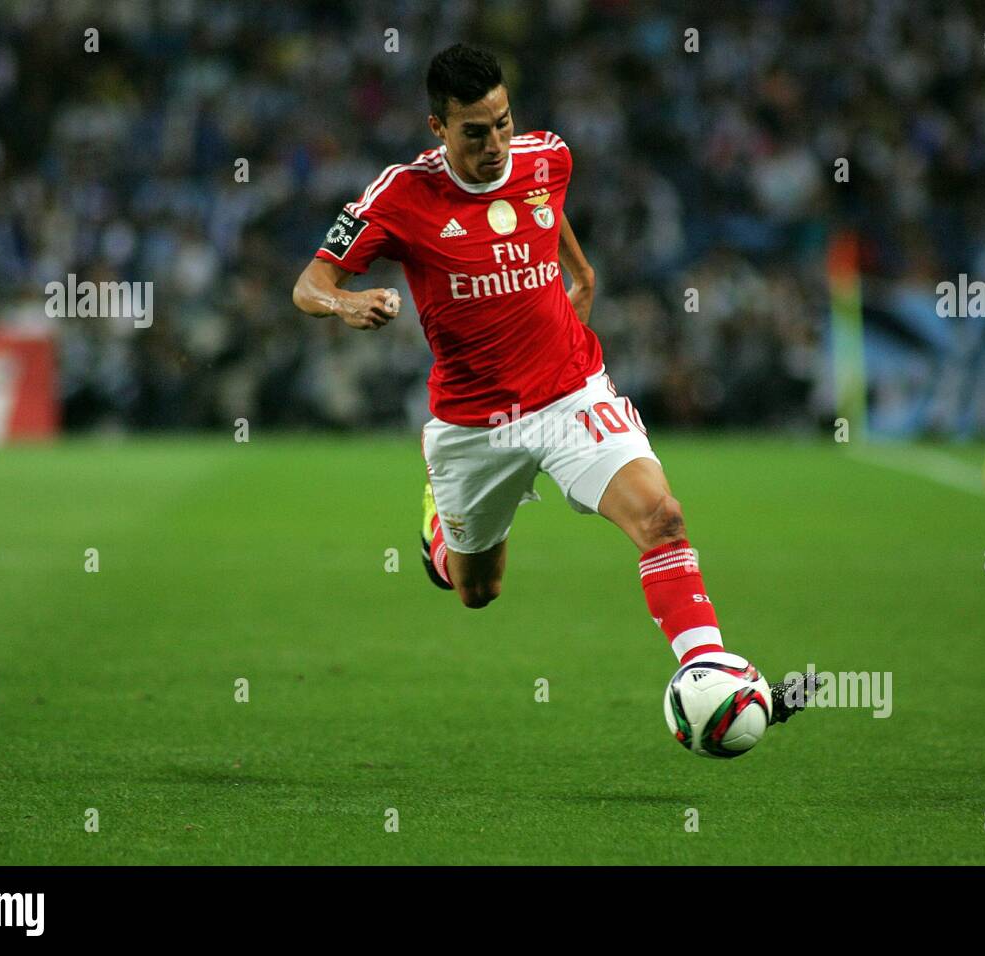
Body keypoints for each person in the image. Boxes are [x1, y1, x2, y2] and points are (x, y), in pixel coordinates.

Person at [292, 43, 813, 733]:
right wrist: (346, 305)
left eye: (503, 122)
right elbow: (310, 282)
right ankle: (439, 532)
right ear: (437, 129)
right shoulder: (401, 195)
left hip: (570, 394)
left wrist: (581, 273)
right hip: (473, 423)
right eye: (474, 132)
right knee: (478, 591)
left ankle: (709, 674)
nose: (495, 143)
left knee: (662, 519)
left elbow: (548, 210)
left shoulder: (547, 156)